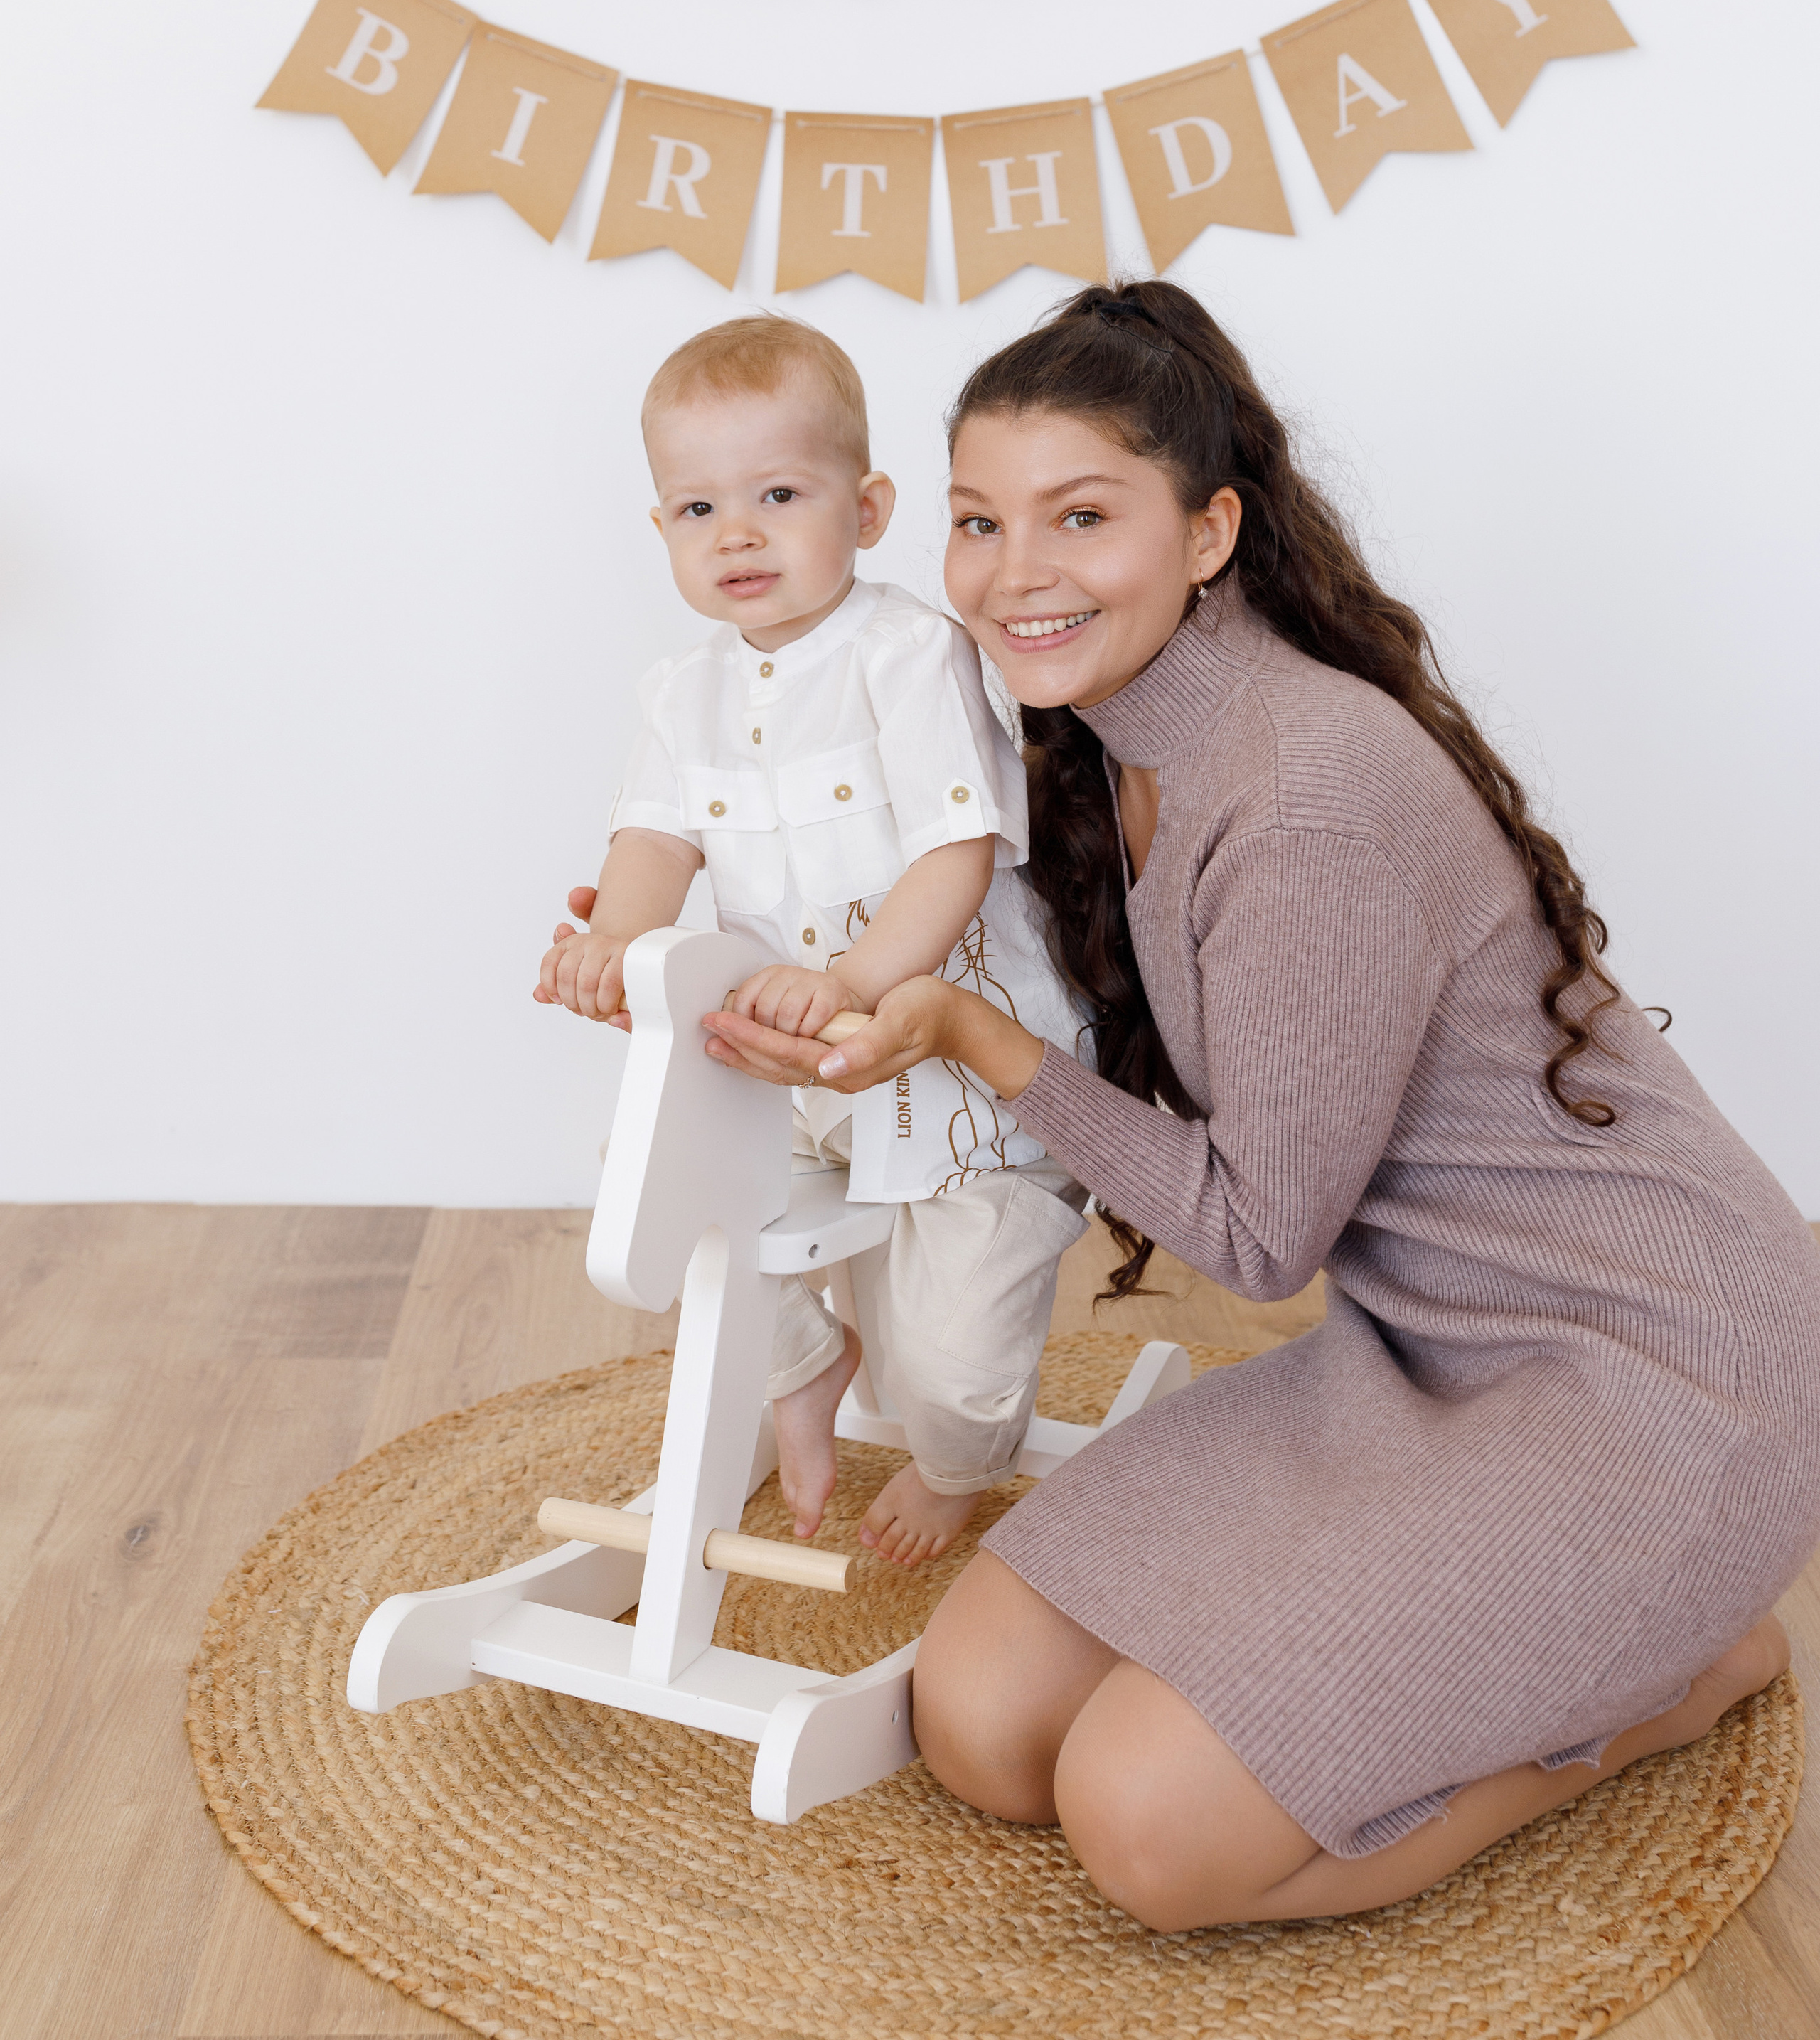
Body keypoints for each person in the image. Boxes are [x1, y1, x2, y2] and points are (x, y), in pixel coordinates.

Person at [697, 279, 1820, 1929]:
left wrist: (969, 1038)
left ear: (1209, 531)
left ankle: (1661, 1688)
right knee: (984, 1724)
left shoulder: (1297, 798)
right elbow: (833, 831)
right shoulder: (1093, 736)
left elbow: (1256, 1235)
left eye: (1081, 517)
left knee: (1149, 1836)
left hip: (1654, 1375)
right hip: (1417, 1354)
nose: (1017, 574)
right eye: (974, 522)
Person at [536, 314, 1087, 1568]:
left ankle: (955, 1469)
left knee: (950, 1372)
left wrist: (849, 978)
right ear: (664, 529)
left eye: (779, 494)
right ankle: (800, 1363)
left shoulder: (909, 655)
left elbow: (954, 849)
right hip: (781, 1061)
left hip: (946, 1075)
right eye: (696, 508)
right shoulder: (684, 694)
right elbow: (654, 843)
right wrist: (609, 943)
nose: (737, 533)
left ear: (870, 505)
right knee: (655, 1168)